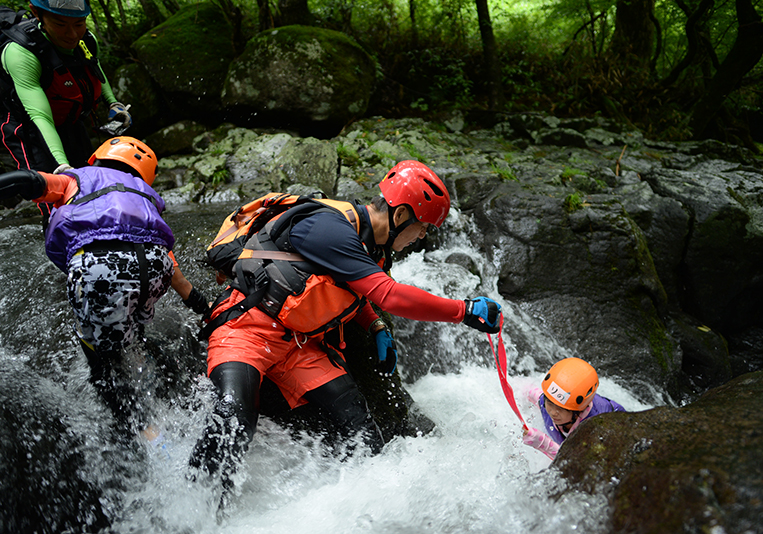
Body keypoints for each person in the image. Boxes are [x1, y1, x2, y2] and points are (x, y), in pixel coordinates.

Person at [190, 160, 503, 480]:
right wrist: (462, 311)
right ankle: (196, 505)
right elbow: (388, 295)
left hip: (297, 345)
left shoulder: (373, 245)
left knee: (361, 430)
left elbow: (351, 290)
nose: (422, 236)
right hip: (246, 328)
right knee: (234, 418)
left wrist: (375, 325)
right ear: (400, 215)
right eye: (423, 226)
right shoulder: (329, 228)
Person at [0, 136, 208, 433]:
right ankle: (146, 370)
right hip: (155, 267)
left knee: (101, 360)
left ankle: (138, 428)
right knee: (133, 323)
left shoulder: (77, 177)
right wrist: (201, 304)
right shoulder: (146, 195)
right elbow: (170, 263)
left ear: (96, 158)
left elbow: (29, 181)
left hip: (100, 267)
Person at [0, 0, 130, 176]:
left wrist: (114, 104)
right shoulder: (21, 53)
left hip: (68, 117)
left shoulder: (87, 41)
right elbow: (40, 116)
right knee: (55, 190)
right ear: (37, 13)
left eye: (79, 24)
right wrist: (62, 166)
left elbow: (95, 69)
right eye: (60, 24)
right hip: (29, 124)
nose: (73, 34)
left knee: (91, 177)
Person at [522, 357, 626, 460]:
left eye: (561, 409)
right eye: (549, 403)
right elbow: (527, 389)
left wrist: (543, 443)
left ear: (578, 411)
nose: (553, 413)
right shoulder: (548, 399)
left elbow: (578, 464)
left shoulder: (595, 429)